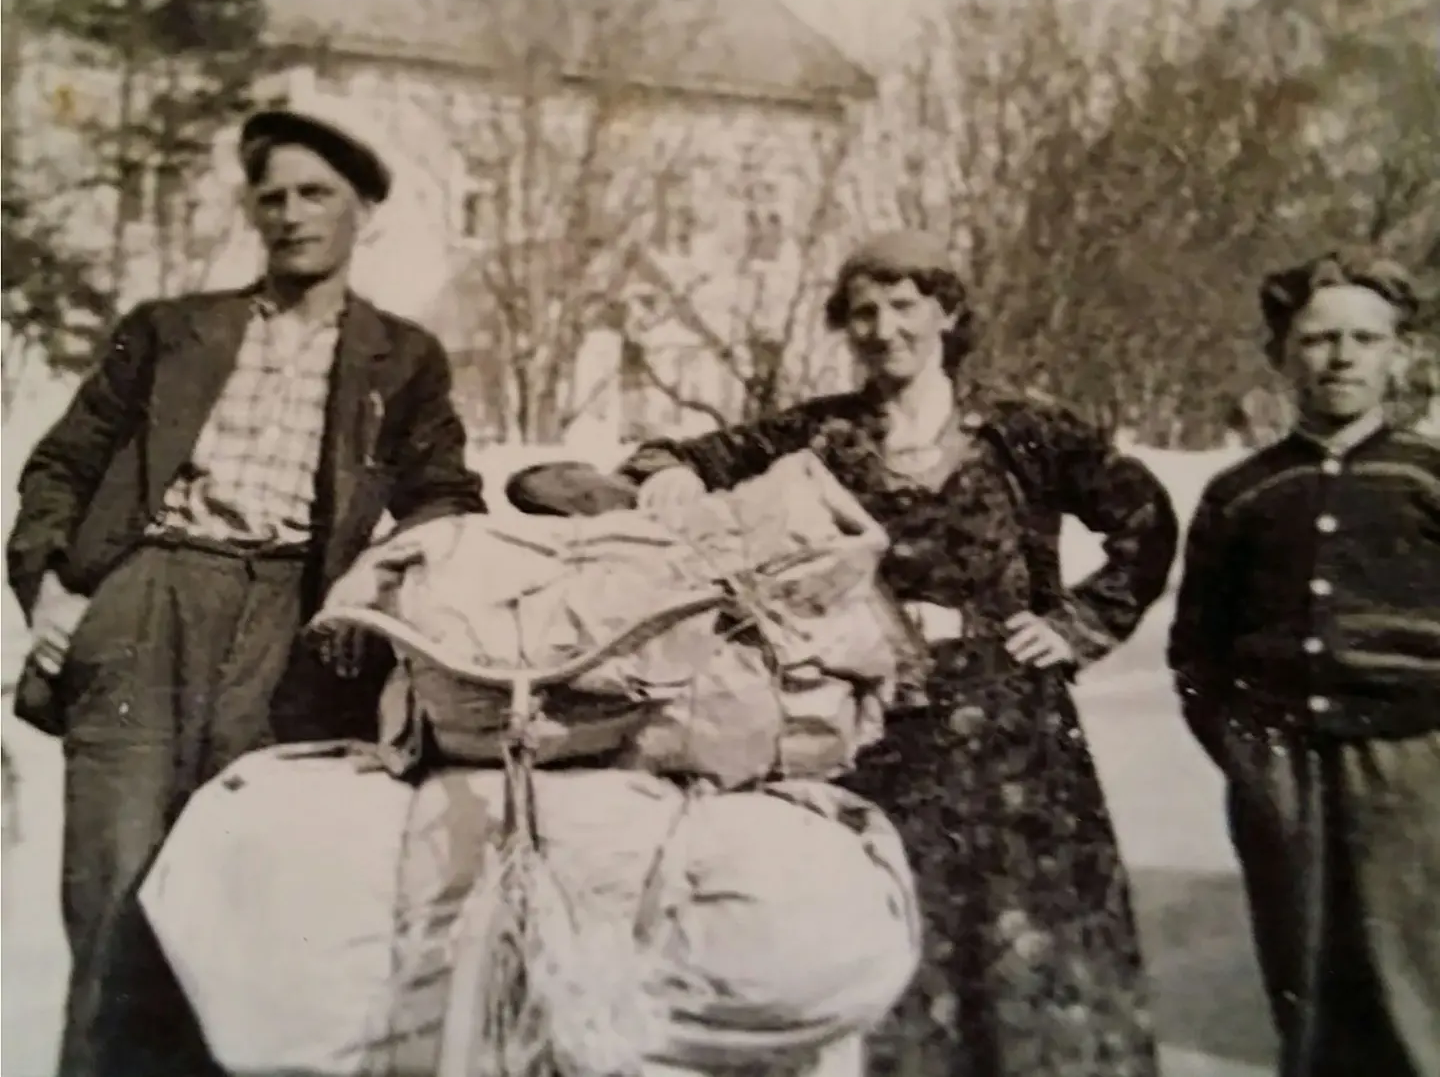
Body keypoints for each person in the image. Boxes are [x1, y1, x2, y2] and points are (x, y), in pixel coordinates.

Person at [614, 230, 1180, 1077]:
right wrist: (674, 473)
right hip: (879, 739)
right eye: (863, 313)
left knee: (1030, 951)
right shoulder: (826, 436)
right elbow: (685, 458)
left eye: (905, 306)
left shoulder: (1022, 430)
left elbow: (1143, 518)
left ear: (947, 313)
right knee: (891, 943)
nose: (884, 329)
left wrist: (1074, 624)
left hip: (1015, 742)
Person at [5, 100, 486, 1077]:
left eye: (318, 194)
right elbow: (60, 466)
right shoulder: (173, 330)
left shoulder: (405, 359)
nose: (292, 214)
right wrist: (50, 590)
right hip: (149, 604)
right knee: (115, 900)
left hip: (296, 636)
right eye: (272, 197)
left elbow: (446, 497)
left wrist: (374, 581)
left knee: (243, 916)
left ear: (365, 214)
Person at [1168, 249, 1440, 1077]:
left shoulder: (1426, 477)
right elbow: (1197, 653)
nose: (1343, 357)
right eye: (1320, 339)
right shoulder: (1243, 492)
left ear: (1400, 354)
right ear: (1283, 354)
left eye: (1366, 338)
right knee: (1303, 977)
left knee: (1410, 973)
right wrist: (1248, 751)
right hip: (1276, 762)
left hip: (1407, 763)